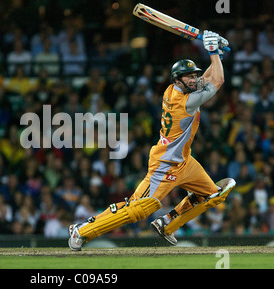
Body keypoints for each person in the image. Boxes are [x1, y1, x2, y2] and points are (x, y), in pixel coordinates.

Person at [69, 31, 236, 251]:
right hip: (165, 164)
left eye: (194, 75)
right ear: (178, 80)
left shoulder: (175, 89)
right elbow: (218, 79)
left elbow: (206, 80)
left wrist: (218, 57)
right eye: (189, 77)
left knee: (213, 194)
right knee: (139, 209)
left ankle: (167, 223)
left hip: (184, 161)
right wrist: (213, 52)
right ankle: (81, 231)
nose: (194, 79)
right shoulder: (185, 103)